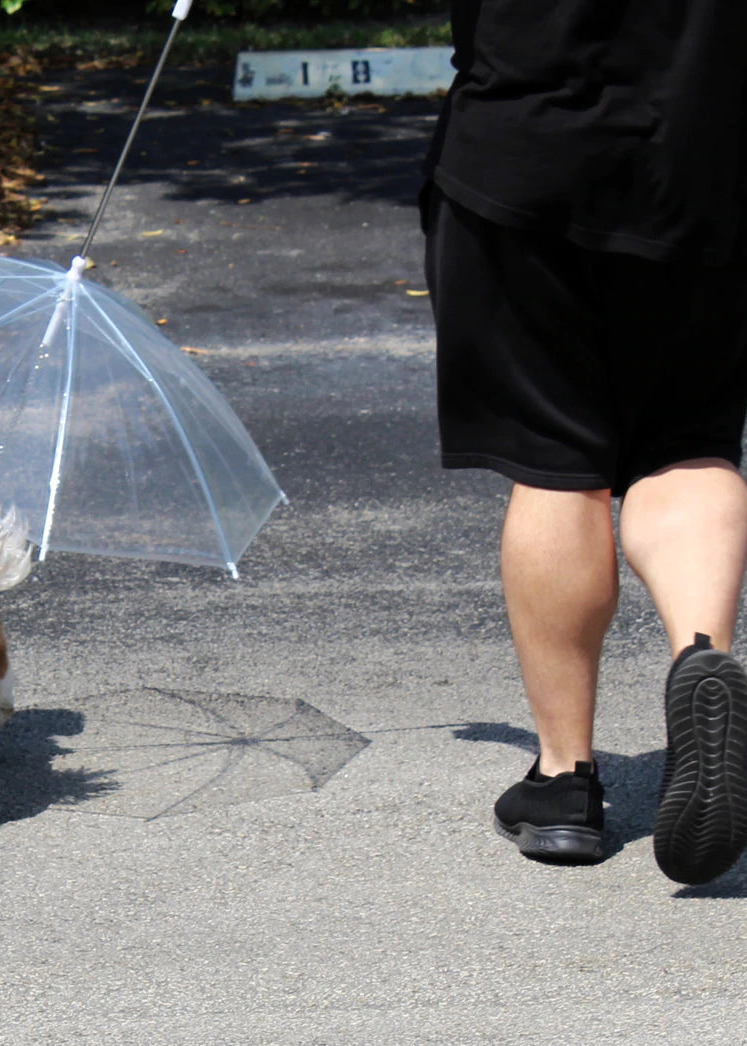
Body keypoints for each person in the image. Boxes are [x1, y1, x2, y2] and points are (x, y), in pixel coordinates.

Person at [421, 0, 747, 885]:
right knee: (689, 444)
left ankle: (565, 783)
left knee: (557, 462)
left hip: (528, 149)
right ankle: (701, 656)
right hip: (705, 153)